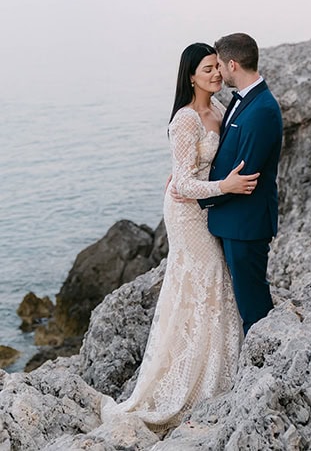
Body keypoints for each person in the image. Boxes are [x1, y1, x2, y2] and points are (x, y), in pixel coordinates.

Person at [102, 42, 258, 432]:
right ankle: (188, 379)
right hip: (187, 212)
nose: (215, 75)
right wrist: (226, 186)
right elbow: (185, 184)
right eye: (207, 70)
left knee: (214, 280)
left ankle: (215, 365)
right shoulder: (185, 121)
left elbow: (207, 164)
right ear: (190, 76)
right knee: (203, 280)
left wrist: (221, 184)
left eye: (216, 68)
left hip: (209, 206)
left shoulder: (219, 110)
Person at [198, 32, 283, 335]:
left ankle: (264, 365)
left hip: (246, 225)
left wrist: (201, 196)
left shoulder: (261, 111)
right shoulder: (242, 102)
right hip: (234, 222)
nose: (217, 71)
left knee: (253, 307)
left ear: (232, 64)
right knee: (243, 301)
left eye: (219, 65)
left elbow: (243, 175)